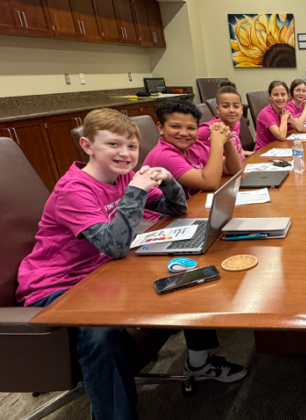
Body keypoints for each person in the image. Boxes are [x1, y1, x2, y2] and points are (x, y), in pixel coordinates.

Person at [17, 108, 247, 420]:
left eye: (131, 146)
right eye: (113, 145)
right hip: (58, 284)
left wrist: (167, 183)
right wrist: (137, 192)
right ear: (87, 146)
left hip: (104, 270)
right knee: (103, 333)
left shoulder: (123, 176)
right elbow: (114, 246)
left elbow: (176, 208)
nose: (125, 154)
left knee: (188, 271)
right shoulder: (75, 189)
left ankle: (200, 360)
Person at [143, 99, 242, 199]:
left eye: (191, 128)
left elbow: (233, 169)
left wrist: (227, 140)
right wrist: (218, 142)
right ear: (160, 128)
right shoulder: (163, 155)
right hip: (164, 214)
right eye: (175, 126)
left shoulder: (196, 146)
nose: (184, 133)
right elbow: (209, 183)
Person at [197, 80, 252, 160]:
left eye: (236, 106)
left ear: (241, 110)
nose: (231, 110)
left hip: (240, 165)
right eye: (225, 106)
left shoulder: (237, 123)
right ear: (218, 109)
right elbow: (190, 144)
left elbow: (235, 139)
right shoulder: (210, 128)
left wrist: (241, 151)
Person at [254, 80, 294, 148]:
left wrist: (292, 120)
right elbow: (281, 137)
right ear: (269, 96)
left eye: (283, 94)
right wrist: (284, 118)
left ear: (288, 96)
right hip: (264, 151)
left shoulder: (284, 111)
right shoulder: (266, 113)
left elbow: (301, 129)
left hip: (279, 147)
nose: (280, 98)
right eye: (275, 95)